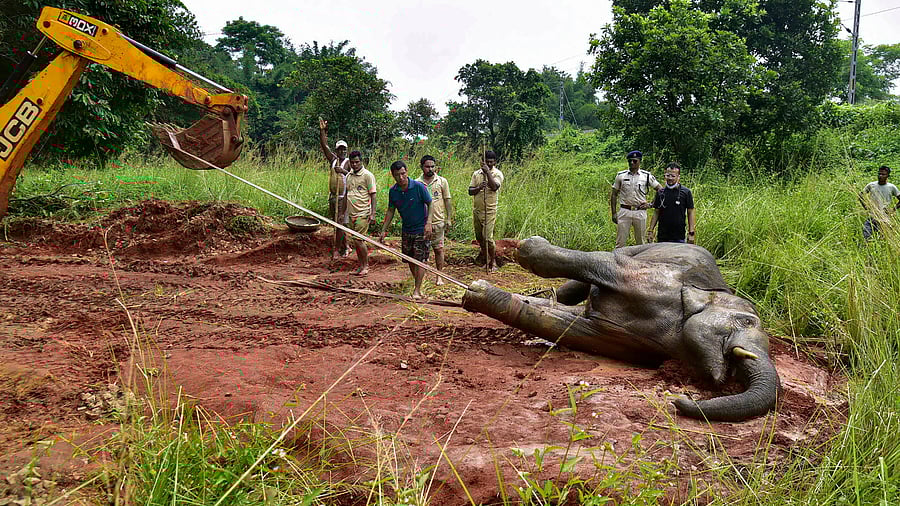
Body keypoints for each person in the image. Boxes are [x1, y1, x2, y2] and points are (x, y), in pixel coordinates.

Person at [380, 161, 433, 298]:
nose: (401, 178)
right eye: (397, 175)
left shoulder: (418, 187)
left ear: (407, 172)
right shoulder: (393, 191)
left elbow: (430, 203)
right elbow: (391, 210)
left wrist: (429, 223)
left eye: (403, 174)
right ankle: (418, 281)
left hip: (421, 228)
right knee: (409, 259)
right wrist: (384, 230)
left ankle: (417, 290)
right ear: (393, 175)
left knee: (420, 259)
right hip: (406, 229)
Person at [609, 150, 662, 248]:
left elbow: (660, 189)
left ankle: (640, 262)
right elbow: (614, 194)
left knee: (641, 242)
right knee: (620, 242)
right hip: (625, 210)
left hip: (640, 211)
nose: (632, 163)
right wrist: (614, 213)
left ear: (639, 161)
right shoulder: (621, 175)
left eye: (634, 161)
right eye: (630, 161)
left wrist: (651, 204)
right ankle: (619, 261)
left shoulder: (646, 176)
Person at [417, 155, 453, 285]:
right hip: (423, 223)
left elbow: (447, 200)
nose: (430, 169)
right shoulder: (417, 183)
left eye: (432, 166)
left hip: (438, 221)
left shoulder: (442, 181)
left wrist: (448, 218)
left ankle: (439, 276)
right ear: (421, 167)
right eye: (427, 166)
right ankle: (422, 277)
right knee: (422, 252)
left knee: (438, 249)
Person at [318, 118, 350, 259]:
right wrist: (322, 131)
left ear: (346, 150)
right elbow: (324, 146)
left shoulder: (349, 163)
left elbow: (354, 177)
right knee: (337, 223)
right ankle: (346, 246)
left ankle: (337, 250)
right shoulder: (333, 160)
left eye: (344, 149)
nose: (342, 151)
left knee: (339, 224)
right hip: (333, 197)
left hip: (343, 198)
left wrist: (343, 172)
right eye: (339, 149)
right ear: (336, 150)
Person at [342, 150, 377, 275]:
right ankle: (361, 266)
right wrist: (343, 212)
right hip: (352, 213)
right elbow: (346, 195)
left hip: (363, 212)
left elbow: (373, 195)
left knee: (359, 240)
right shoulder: (349, 176)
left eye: (357, 162)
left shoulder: (367, 175)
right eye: (352, 162)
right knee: (356, 241)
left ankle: (366, 266)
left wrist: (373, 213)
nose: (355, 165)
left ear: (361, 161)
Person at [468, 150, 504, 272]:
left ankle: (493, 262)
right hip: (477, 210)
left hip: (489, 210)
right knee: (480, 238)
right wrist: (478, 188)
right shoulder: (476, 174)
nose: (489, 164)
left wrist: (487, 172)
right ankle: (486, 258)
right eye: (486, 162)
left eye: (491, 162)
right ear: (482, 162)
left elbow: (494, 187)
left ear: (494, 162)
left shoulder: (497, 173)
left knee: (488, 237)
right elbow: (470, 191)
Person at [647, 162, 696, 244]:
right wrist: (650, 231)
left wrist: (691, 233)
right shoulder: (660, 193)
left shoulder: (686, 192)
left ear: (678, 177)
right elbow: (656, 212)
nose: (670, 178)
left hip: (679, 236)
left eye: (673, 176)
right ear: (665, 175)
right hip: (663, 235)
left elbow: (690, 212)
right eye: (668, 175)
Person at [858, 165, 900, 241]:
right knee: (867, 236)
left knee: (884, 239)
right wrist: (866, 207)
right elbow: (860, 195)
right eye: (879, 174)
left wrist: (893, 209)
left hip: (884, 217)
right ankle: (868, 250)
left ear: (888, 176)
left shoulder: (891, 187)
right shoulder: (871, 185)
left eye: (883, 174)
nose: (880, 176)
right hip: (872, 216)